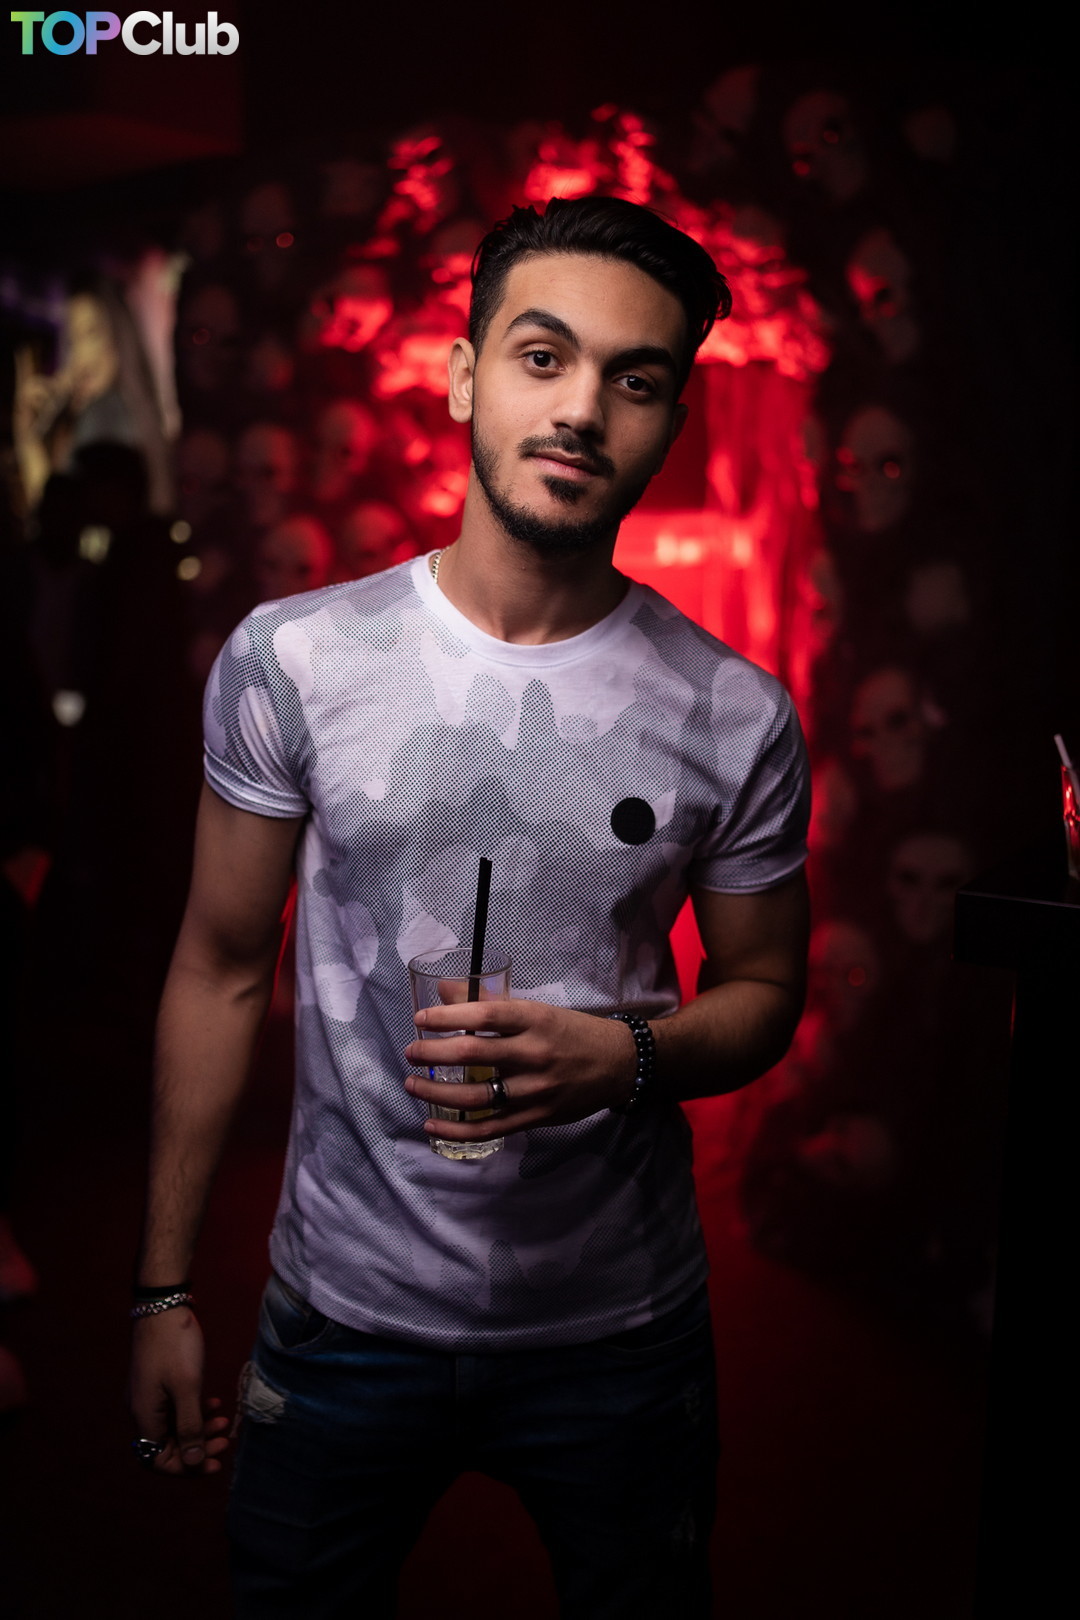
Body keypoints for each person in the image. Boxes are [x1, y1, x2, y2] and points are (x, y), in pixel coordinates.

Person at [129, 196, 811, 1619]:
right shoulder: (296, 660)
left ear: (670, 422)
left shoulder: (734, 711)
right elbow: (218, 966)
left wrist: (621, 1058)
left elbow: (765, 990)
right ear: (461, 376)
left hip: (619, 1328)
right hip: (342, 1313)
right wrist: (164, 1290)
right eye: (542, 356)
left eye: (635, 380)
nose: (582, 411)